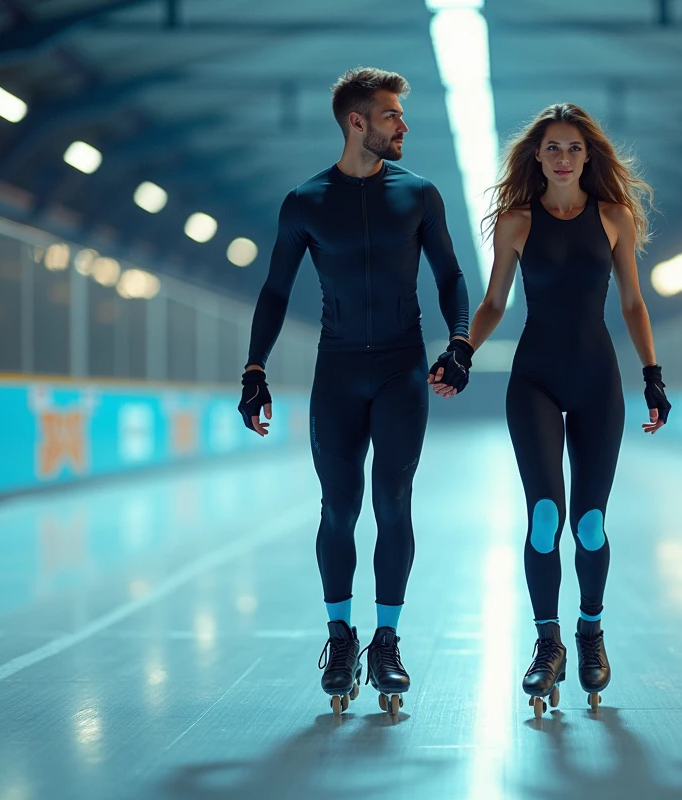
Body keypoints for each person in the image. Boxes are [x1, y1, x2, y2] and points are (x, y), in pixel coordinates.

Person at [239, 67, 474, 717]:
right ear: (357, 122)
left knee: (393, 502)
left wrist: (460, 344)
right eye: (394, 115)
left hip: (401, 368)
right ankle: (340, 638)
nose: (405, 124)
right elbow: (275, 292)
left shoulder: (419, 195)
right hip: (338, 371)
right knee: (338, 506)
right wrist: (253, 371)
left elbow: (451, 276)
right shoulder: (306, 202)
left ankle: (387, 642)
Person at [441, 103, 670, 717]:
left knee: (590, 523)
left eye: (573, 147)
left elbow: (632, 304)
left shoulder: (614, 217)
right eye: (552, 148)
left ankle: (589, 633)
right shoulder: (516, 222)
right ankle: (548, 644)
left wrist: (652, 375)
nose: (563, 157)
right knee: (545, 517)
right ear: (536, 157)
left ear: (587, 155)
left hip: (598, 379)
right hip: (535, 380)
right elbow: (493, 302)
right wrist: (461, 350)